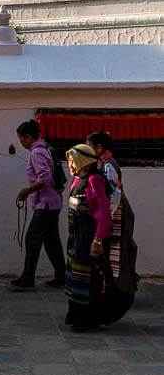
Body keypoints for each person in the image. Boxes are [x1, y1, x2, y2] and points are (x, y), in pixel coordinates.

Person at [86, 130, 138, 320]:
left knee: (115, 258)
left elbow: (114, 196)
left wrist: (104, 217)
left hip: (116, 219)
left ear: (98, 148)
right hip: (114, 218)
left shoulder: (108, 166)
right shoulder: (106, 164)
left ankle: (121, 294)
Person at [11, 119, 65, 290]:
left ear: (29, 136)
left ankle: (27, 278)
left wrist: (27, 190)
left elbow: (45, 178)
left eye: (21, 138)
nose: (20, 142)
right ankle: (61, 276)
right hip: (53, 202)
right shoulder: (45, 149)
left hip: (46, 204)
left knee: (32, 238)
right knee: (51, 241)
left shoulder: (37, 153)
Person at [65, 143, 114, 331]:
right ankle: (77, 318)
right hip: (76, 240)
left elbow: (102, 212)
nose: (70, 166)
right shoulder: (78, 181)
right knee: (76, 277)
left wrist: (98, 240)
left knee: (89, 279)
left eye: (73, 162)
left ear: (84, 162)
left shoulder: (95, 180)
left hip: (89, 239)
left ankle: (89, 320)